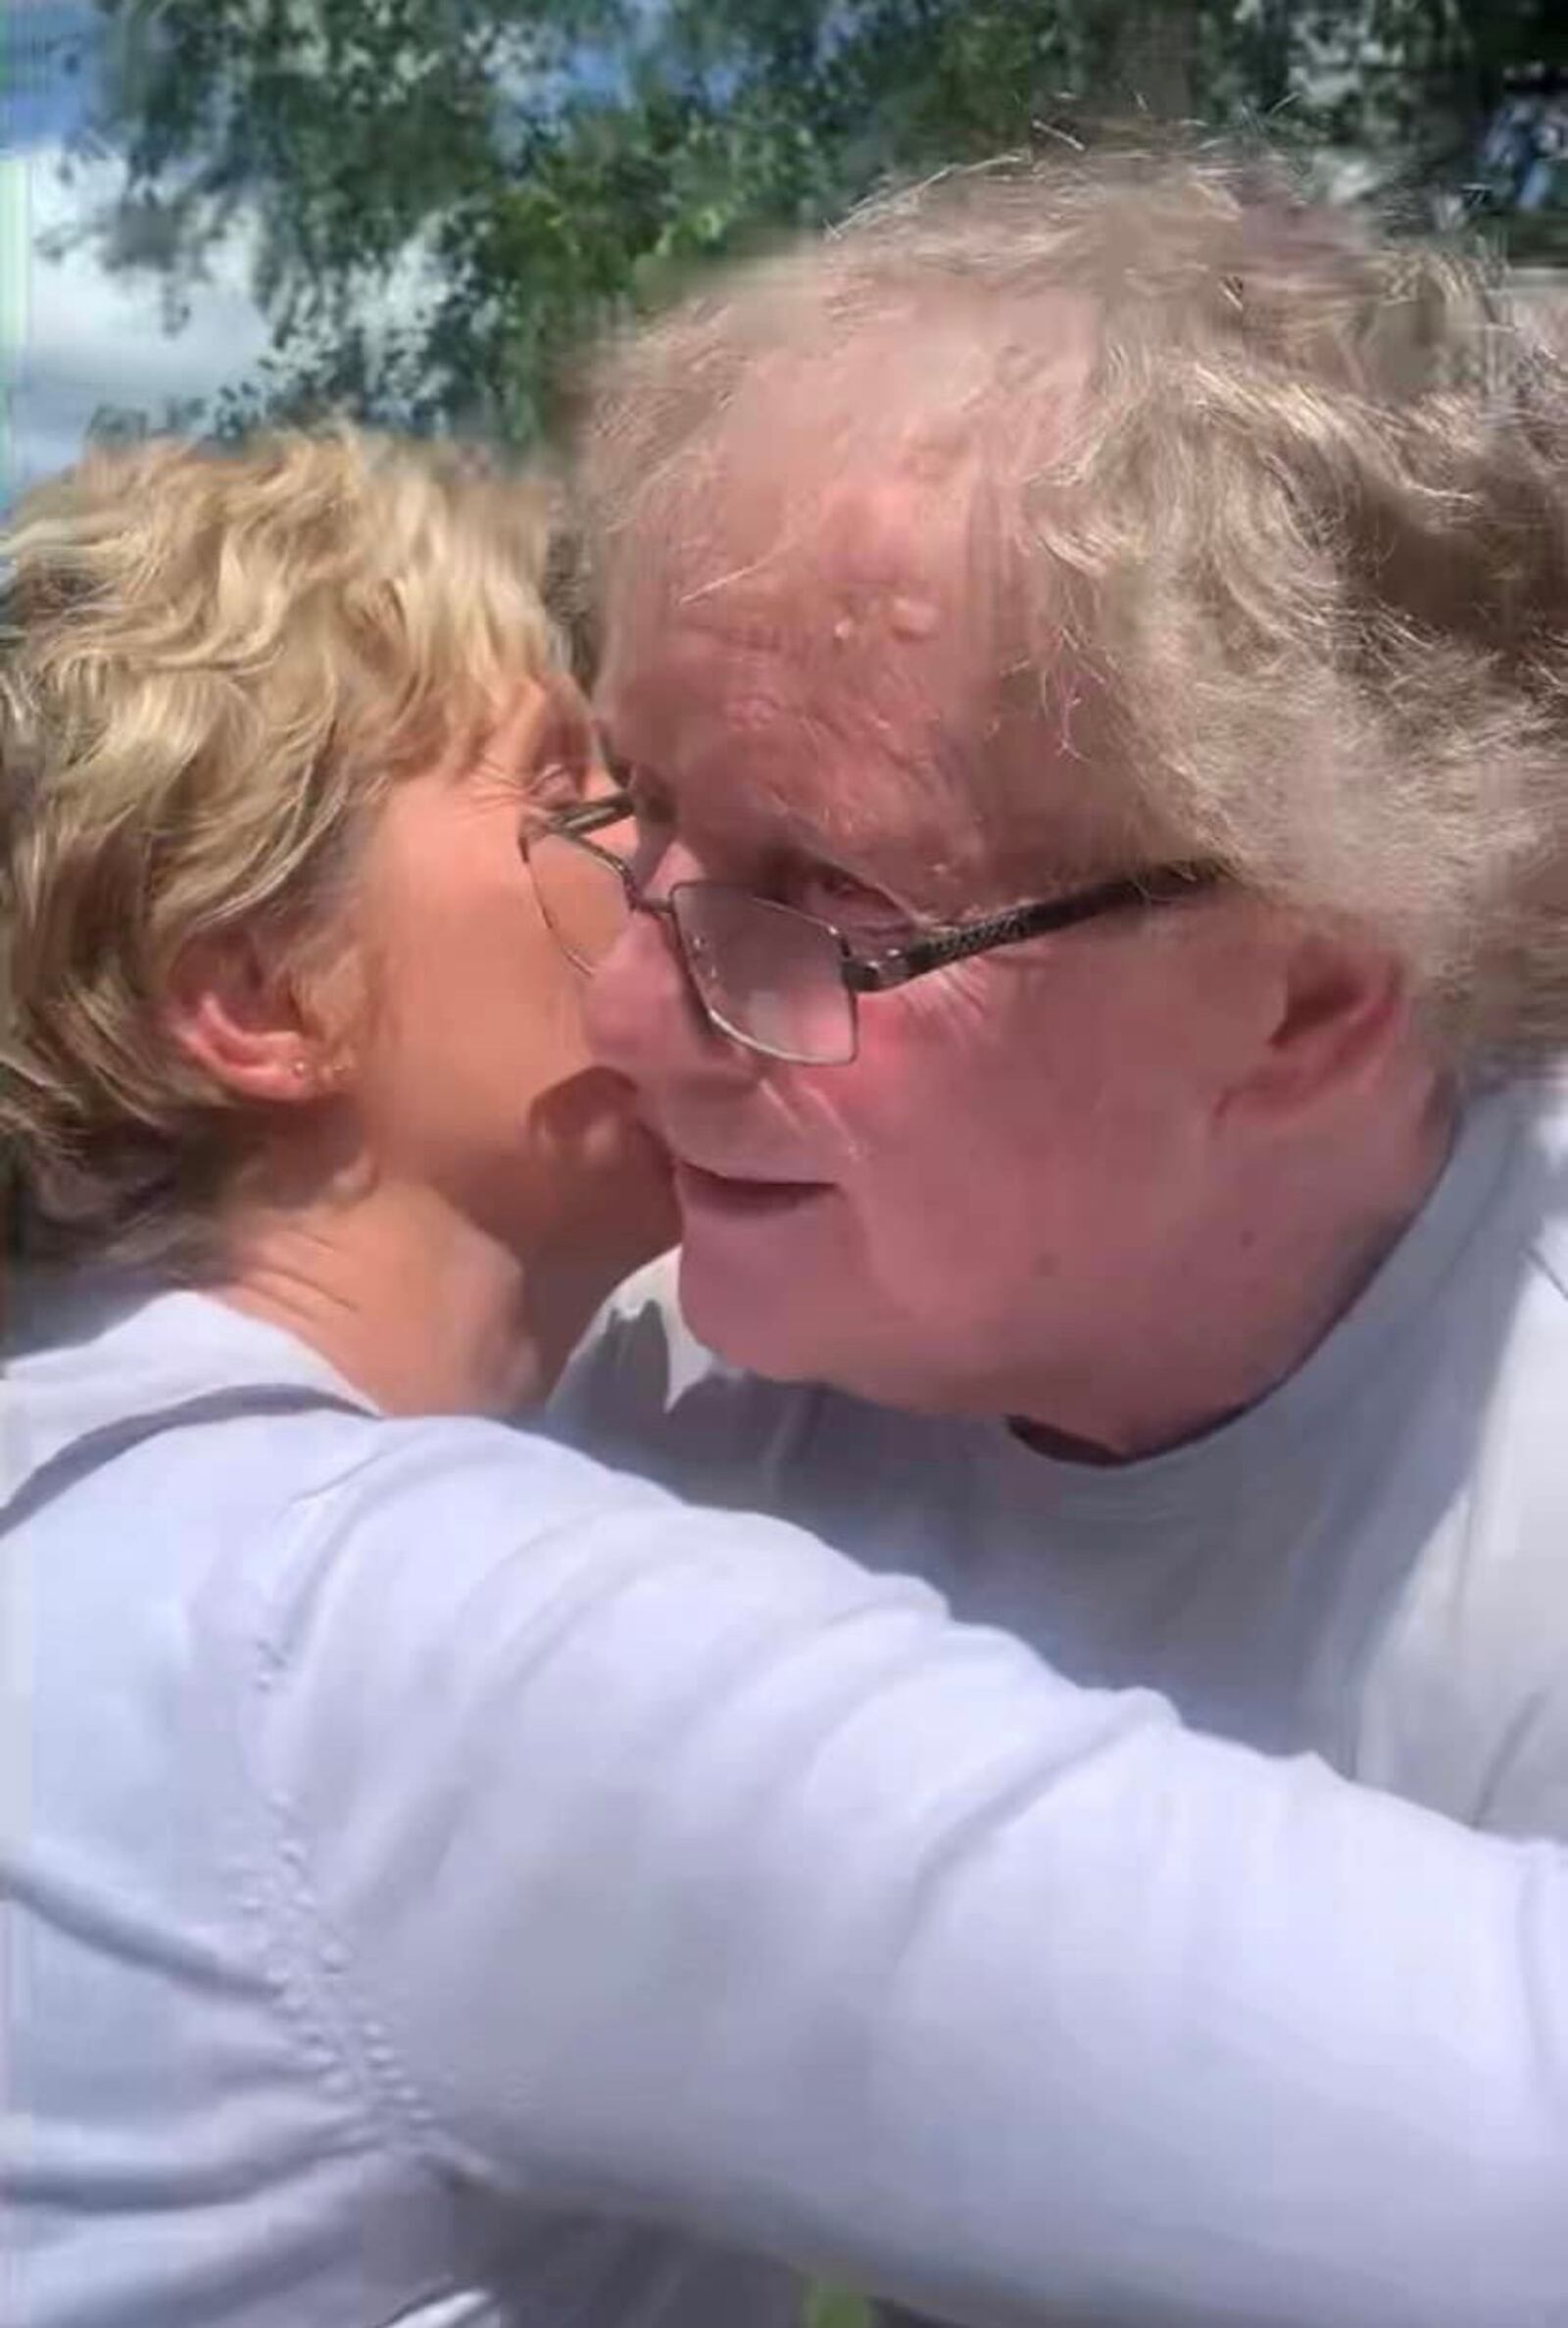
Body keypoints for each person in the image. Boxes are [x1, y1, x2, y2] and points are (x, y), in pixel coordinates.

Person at [0, 429, 1563, 2328]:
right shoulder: (401, 1640)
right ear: (260, 997)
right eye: (573, 797)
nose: (668, 907)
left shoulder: (110, 1518)